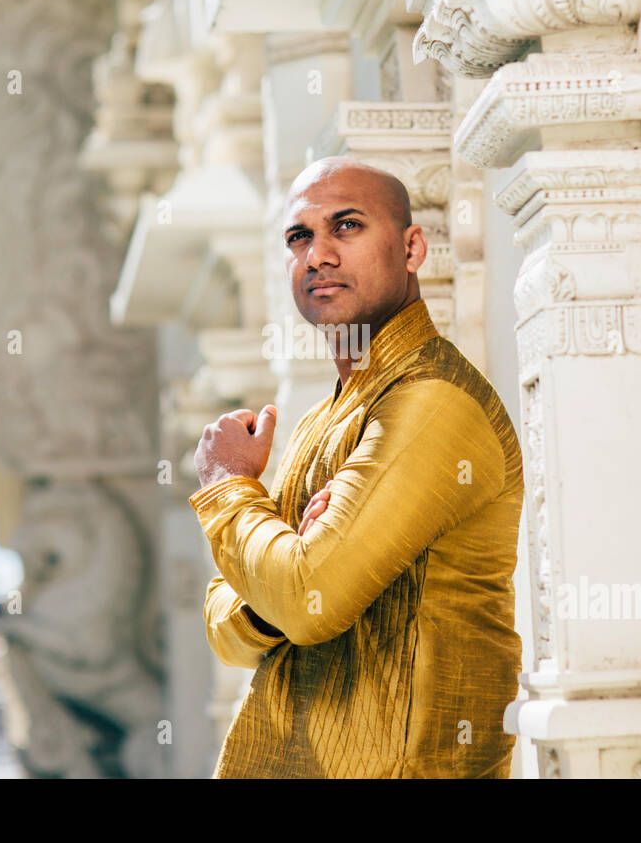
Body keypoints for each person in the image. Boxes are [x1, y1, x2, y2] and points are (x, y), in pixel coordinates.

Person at [189, 155, 524, 778]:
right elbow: (224, 628)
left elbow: (307, 599)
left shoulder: (433, 401)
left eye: (346, 226)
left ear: (412, 247)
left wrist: (231, 486)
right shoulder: (325, 419)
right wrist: (281, 571)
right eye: (300, 237)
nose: (318, 254)